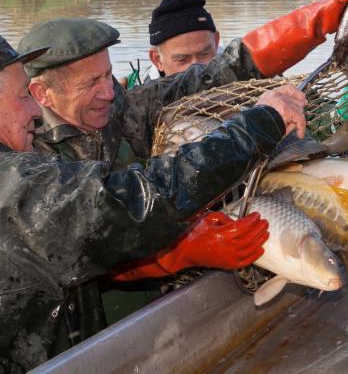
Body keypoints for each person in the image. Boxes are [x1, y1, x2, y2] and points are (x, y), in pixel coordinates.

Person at [0, 33, 304, 371]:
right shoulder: (14, 183)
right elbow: (120, 207)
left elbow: (199, 80)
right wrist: (259, 125)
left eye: (107, 76)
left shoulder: (113, 117)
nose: (34, 111)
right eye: (22, 96)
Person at [19, 0, 348, 170]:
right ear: (43, 94)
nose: (107, 93)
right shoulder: (27, 153)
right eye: (89, 84)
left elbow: (224, 72)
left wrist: (316, 21)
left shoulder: (126, 108)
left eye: (108, 76)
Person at [143, 0, 348, 120]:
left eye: (205, 53)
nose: (196, 67)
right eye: (182, 59)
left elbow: (314, 118)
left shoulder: (248, 87)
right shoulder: (137, 105)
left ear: (216, 41)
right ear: (157, 59)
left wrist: (343, 115)